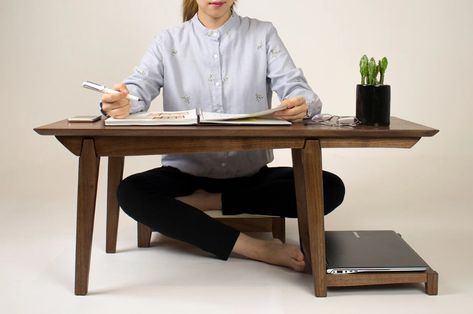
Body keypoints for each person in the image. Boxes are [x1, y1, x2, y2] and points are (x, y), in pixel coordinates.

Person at [101, 0, 345, 272]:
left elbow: (300, 90)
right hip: (184, 177)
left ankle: (209, 201)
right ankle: (254, 248)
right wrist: (122, 102)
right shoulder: (168, 40)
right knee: (130, 192)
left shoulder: (262, 34)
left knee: (330, 187)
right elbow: (137, 90)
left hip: (252, 178)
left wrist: (303, 104)